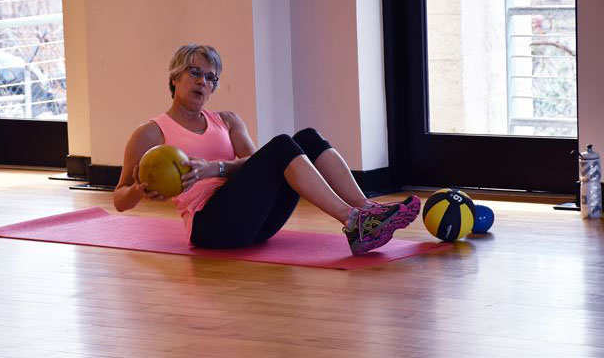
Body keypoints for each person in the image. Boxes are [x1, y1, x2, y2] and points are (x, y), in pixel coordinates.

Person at [114, 44, 420, 255]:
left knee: (307, 138)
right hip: (211, 228)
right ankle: (353, 223)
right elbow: (120, 199)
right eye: (195, 72)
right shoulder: (151, 132)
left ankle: (367, 211)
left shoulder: (227, 121)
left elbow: (254, 162)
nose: (203, 82)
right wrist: (140, 189)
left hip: (254, 221)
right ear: (174, 77)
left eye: (211, 78)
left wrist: (215, 168)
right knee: (282, 145)